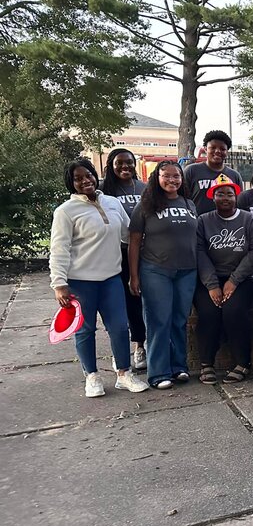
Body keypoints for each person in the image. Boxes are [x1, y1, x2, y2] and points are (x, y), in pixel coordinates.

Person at [49, 159, 149, 397]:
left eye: (89, 175)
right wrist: (59, 284)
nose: (85, 181)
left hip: (111, 279)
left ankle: (124, 374)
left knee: (119, 327)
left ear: (96, 176)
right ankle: (92, 376)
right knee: (85, 330)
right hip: (80, 282)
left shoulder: (112, 203)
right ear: (71, 183)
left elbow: (129, 235)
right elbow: (59, 248)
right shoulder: (65, 211)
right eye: (78, 178)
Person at [128, 161, 198, 389]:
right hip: (156, 270)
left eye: (176, 176)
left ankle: (179, 367)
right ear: (156, 178)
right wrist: (134, 276)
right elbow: (134, 243)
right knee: (159, 321)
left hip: (187, 271)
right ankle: (158, 373)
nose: (172, 180)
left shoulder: (188, 203)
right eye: (166, 176)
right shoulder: (146, 205)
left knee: (179, 320)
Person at [195, 174, 253, 385]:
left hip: (243, 278)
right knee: (208, 312)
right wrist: (213, 285)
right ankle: (207, 363)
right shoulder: (203, 221)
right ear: (213, 197)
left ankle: (242, 362)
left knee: (234, 311)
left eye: (229, 194)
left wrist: (233, 281)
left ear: (236, 196)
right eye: (220, 194)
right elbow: (199, 252)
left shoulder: (249, 219)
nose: (225, 197)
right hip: (210, 277)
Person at [100, 148, 147, 370]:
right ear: (111, 165)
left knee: (139, 299)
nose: (125, 167)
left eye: (129, 163)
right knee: (121, 302)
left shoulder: (144, 188)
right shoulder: (103, 190)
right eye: (120, 163)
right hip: (116, 253)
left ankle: (140, 346)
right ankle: (119, 350)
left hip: (143, 251)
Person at [183, 130, 243, 215]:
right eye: (213, 147)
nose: (218, 151)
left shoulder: (234, 175)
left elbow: (238, 204)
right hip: (198, 225)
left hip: (225, 226)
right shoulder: (191, 171)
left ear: (227, 152)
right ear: (205, 149)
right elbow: (182, 199)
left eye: (222, 149)